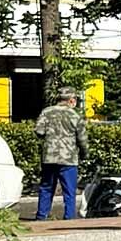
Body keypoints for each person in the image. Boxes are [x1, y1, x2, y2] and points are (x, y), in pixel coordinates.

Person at [32, 87, 87, 221]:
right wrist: (85, 153)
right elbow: (82, 138)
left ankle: (41, 216)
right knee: (69, 191)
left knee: (46, 188)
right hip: (69, 159)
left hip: (49, 157)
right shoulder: (75, 115)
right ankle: (69, 218)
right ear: (72, 100)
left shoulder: (47, 112)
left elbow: (38, 131)